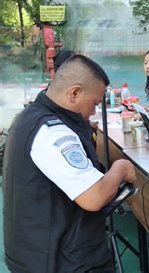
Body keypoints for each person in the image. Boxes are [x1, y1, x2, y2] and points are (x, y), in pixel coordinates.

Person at [3, 55, 137, 272]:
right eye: (93, 103)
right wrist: (120, 168)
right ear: (74, 93)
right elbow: (94, 197)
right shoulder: (52, 132)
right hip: (60, 261)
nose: (94, 111)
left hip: (38, 251)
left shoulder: (30, 116)